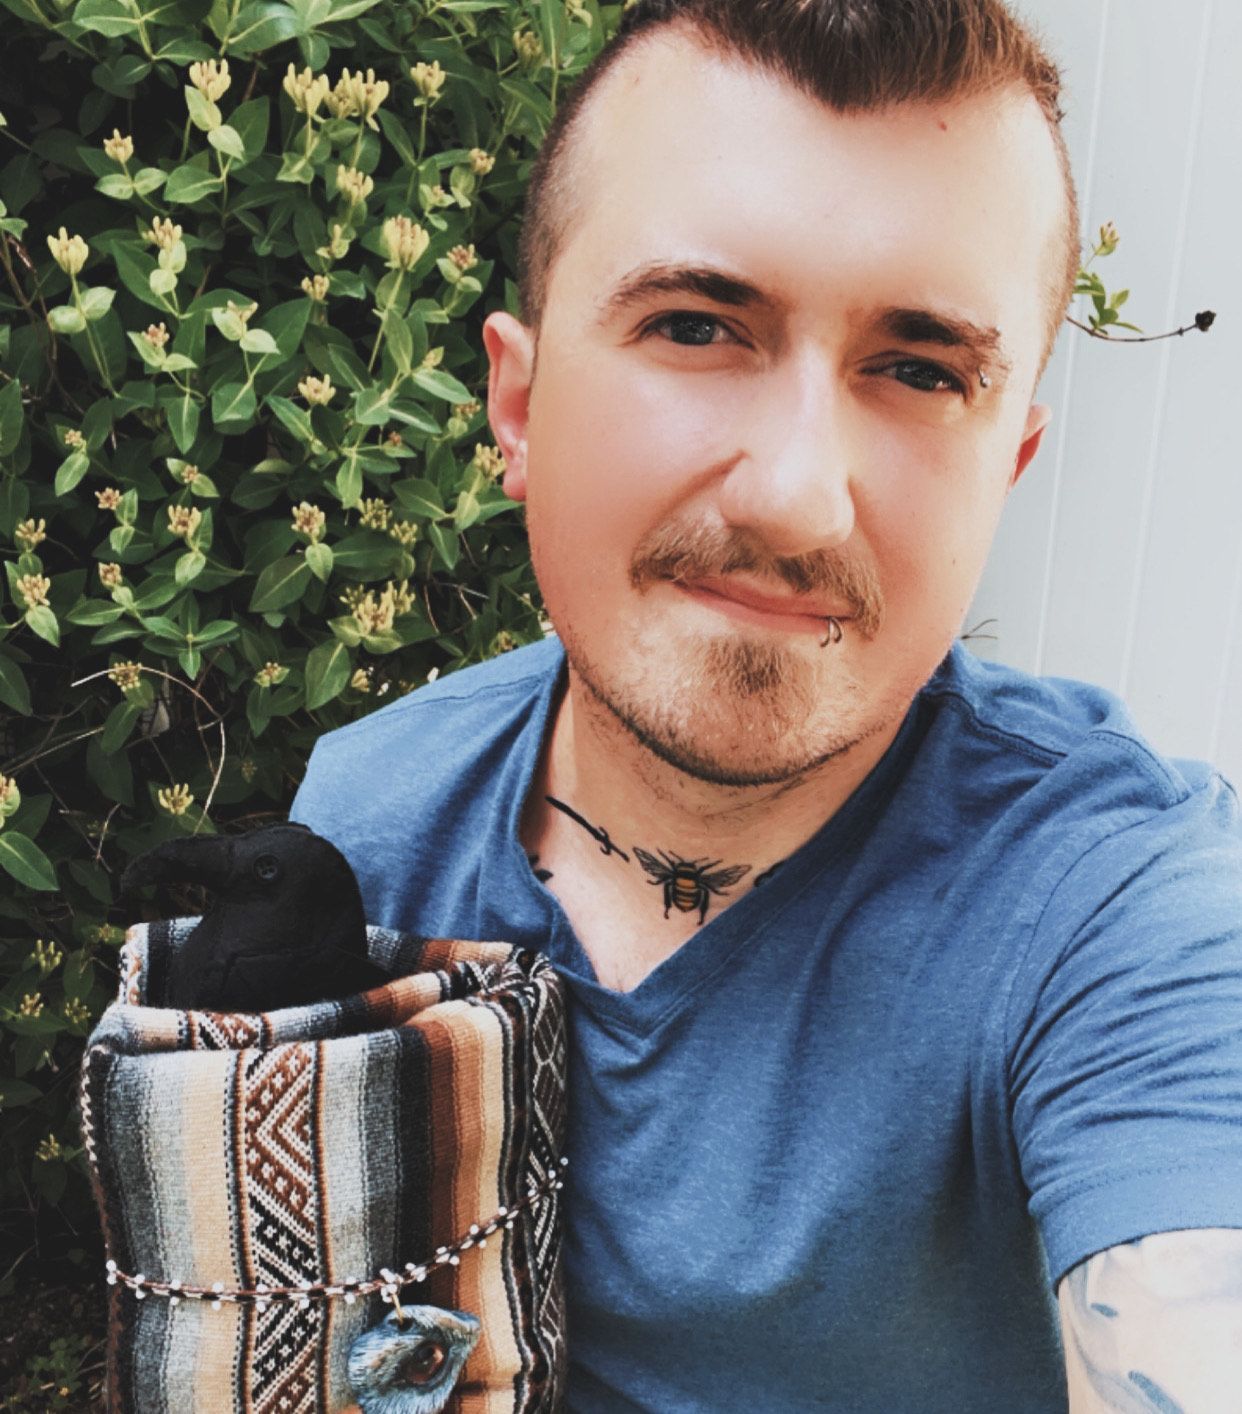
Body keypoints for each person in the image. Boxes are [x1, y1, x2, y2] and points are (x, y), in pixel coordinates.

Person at [290, 1, 1242, 1408]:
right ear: (520, 403)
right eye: (695, 324)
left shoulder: (1118, 911)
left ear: (1009, 463)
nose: (795, 494)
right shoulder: (370, 822)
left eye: (919, 370)